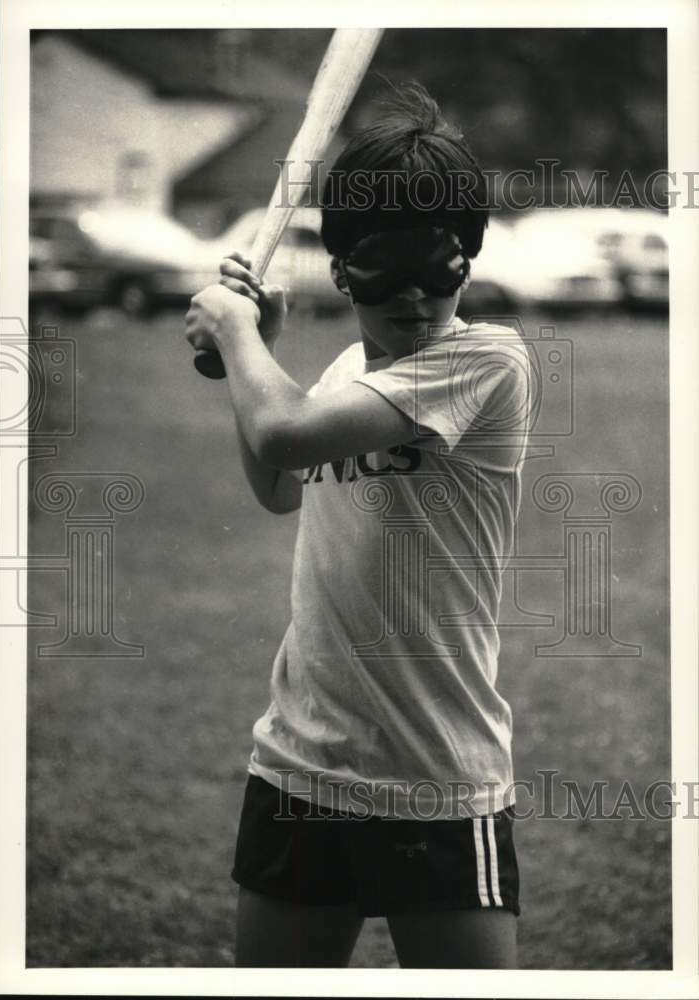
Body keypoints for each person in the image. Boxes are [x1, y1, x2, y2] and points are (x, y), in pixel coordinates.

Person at [185, 83, 531, 969]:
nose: (416, 301)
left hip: (436, 777)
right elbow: (276, 481)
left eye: (441, 269)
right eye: (386, 271)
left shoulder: (487, 361)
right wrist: (261, 337)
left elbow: (282, 431)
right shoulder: (341, 371)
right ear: (341, 268)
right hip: (299, 764)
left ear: (468, 261)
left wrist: (234, 336)